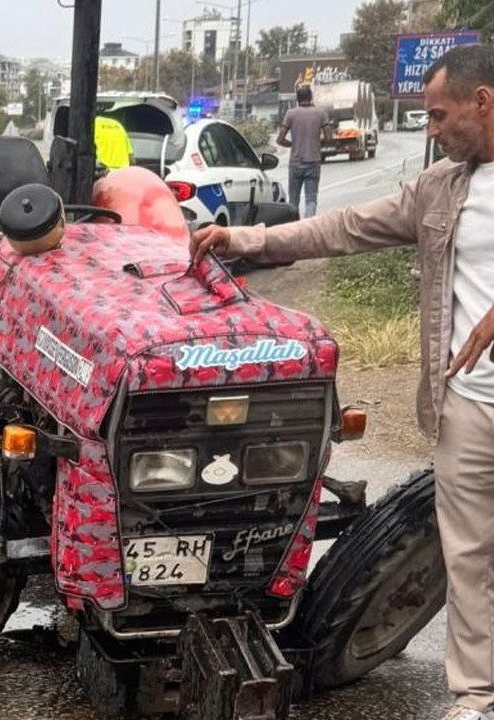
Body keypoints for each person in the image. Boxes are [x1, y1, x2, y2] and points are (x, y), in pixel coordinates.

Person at [190, 44, 494, 720]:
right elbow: (346, 227)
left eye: (440, 115)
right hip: (468, 400)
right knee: (469, 553)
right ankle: (476, 696)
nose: (433, 130)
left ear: (484, 102)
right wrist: (248, 243)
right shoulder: (444, 188)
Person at [277, 84, 333, 217]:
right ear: (311, 97)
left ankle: (294, 231)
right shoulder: (321, 113)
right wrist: (317, 143)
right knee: (311, 200)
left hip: (296, 162)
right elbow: (329, 137)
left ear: (297, 98)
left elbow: (280, 139)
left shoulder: (291, 114)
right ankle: (308, 228)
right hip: (313, 161)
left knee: (293, 201)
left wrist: (292, 144)